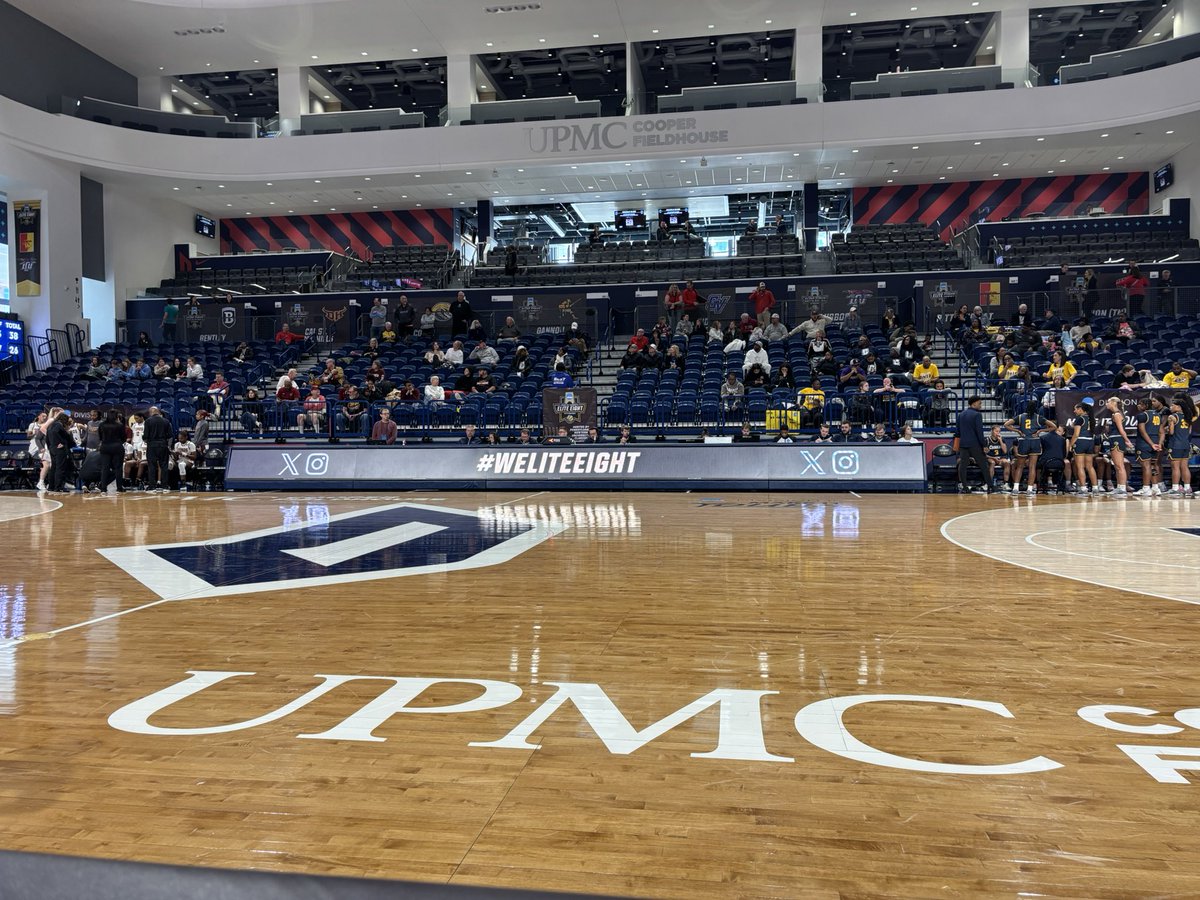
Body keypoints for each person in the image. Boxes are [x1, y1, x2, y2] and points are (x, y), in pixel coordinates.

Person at [1004, 401, 1045, 494]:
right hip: (1035, 442)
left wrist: (1017, 431)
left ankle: (1015, 488)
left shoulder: (1021, 416)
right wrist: (1041, 430)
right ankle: (1030, 489)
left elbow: (1006, 424)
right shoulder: (1038, 417)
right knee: (1032, 467)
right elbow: (1054, 426)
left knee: (1020, 466)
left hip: (1024, 441)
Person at [1134, 395, 1168, 496]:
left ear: (1145, 405)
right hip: (1156, 442)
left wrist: (1152, 444)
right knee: (1152, 466)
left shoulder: (1142, 415)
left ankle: (1146, 488)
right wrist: (1159, 443)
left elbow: (1143, 432)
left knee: (1146, 467)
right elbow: (1162, 432)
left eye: (1140, 404)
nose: (1138, 406)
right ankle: (1155, 488)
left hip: (1145, 443)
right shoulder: (1157, 415)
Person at [1100, 396, 1134, 497]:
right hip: (1114, 439)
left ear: (1114, 403)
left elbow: (1121, 430)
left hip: (1117, 440)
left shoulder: (1117, 414)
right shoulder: (1115, 414)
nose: (1106, 404)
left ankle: (1122, 488)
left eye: (1108, 402)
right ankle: (1120, 487)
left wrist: (1127, 441)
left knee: (1119, 466)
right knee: (1117, 465)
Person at [955, 395, 990, 494]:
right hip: (975, 445)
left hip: (963, 444)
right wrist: (984, 445)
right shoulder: (977, 415)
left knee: (963, 466)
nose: (981, 405)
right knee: (984, 465)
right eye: (980, 403)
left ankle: (965, 487)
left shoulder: (961, 414)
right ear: (974, 403)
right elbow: (979, 432)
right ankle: (991, 486)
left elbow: (957, 432)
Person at [1165, 394, 1197, 496]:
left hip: (1175, 444)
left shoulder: (1172, 417)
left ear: (1178, 407)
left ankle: (1175, 488)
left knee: (1175, 468)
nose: (1170, 407)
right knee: (1185, 467)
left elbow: (1171, 432)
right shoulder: (1188, 417)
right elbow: (1188, 432)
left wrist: (1166, 429)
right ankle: (1187, 488)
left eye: (1172, 405)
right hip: (1185, 444)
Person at [1068, 401, 1100, 495]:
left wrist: (1070, 444)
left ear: (1081, 409)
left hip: (1081, 442)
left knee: (1080, 467)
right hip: (1090, 442)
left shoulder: (1079, 419)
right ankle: (1095, 488)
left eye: (1076, 409)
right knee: (1090, 466)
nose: (1074, 411)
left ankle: (1083, 489)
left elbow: (1076, 434)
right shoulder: (1091, 418)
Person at [142, 406, 173, 493]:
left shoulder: (148, 421)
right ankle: (165, 486)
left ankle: (152, 487)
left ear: (151, 412)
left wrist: (146, 439)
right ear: (158, 412)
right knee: (164, 466)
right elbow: (170, 435)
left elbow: (145, 436)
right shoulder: (166, 421)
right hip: (163, 445)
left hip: (152, 445)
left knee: (152, 466)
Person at [1037, 419, 1069, 494]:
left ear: (1048, 426)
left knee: (1034, 465)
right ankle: (1061, 485)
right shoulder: (1063, 439)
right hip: (1060, 463)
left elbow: (1040, 451)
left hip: (1046, 463)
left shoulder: (1043, 438)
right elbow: (1064, 454)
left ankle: (1039, 485)